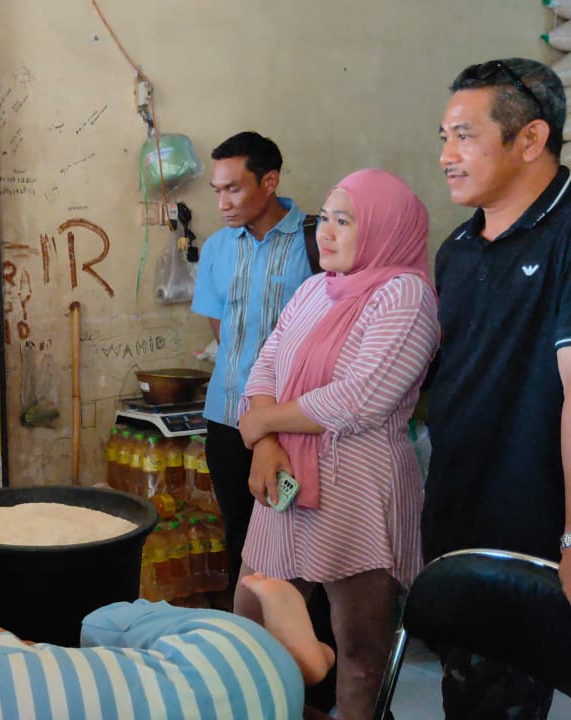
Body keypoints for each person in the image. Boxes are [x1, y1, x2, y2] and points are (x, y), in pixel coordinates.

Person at [428, 58, 571, 718]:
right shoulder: (458, 250)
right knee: (470, 694)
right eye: (443, 136)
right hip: (460, 517)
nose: (446, 156)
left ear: (529, 139)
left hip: (538, 530)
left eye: (465, 135)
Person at [234, 168, 440, 718]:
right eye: (324, 218)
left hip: (357, 489)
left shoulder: (406, 294)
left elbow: (362, 398)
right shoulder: (312, 289)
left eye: (344, 220)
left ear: (382, 227)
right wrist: (265, 443)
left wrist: (262, 423)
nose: (325, 232)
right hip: (285, 481)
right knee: (249, 632)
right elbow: (267, 363)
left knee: (360, 652)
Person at [0, 573, 335, 720]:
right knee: (99, 624)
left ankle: (295, 662)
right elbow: (19, 646)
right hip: (237, 653)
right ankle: (306, 651)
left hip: (274, 707)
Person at [191, 131, 316, 583]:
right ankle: (247, 640)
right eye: (217, 190)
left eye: (234, 188)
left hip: (294, 422)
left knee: (299, 535)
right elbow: (222, 330)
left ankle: (311, 645)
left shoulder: (316, 242)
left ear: (269, 181)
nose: (223, 202)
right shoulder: (217, 248)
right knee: (241, 535)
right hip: (227, 419)